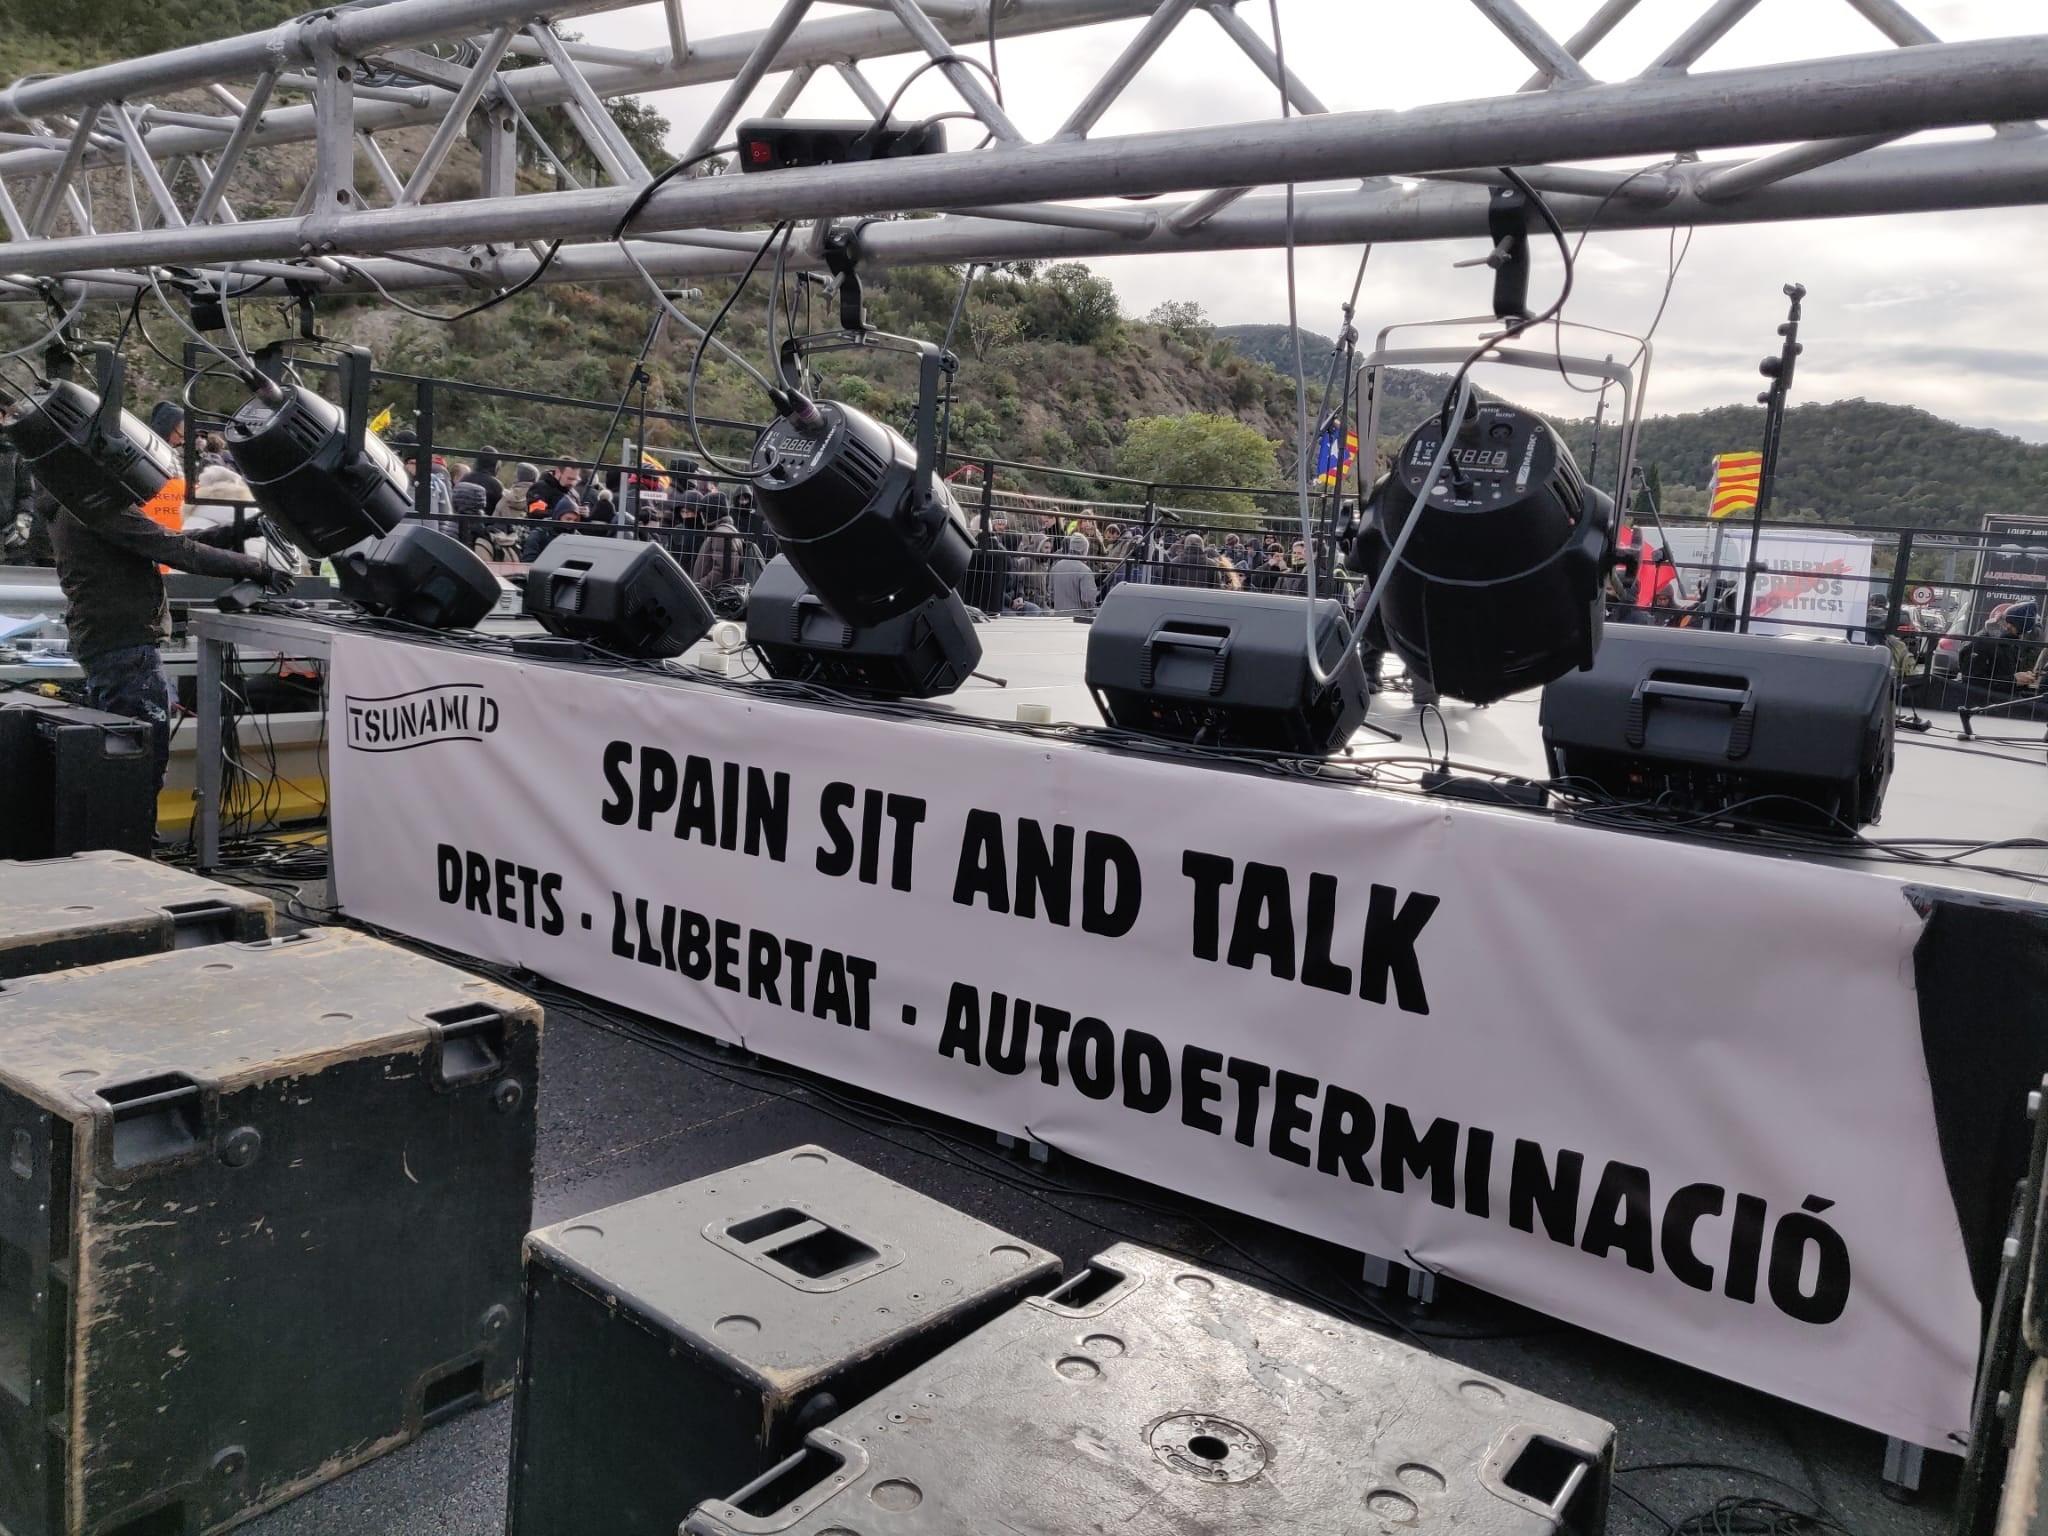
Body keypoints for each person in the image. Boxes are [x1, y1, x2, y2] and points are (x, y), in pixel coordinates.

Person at [48, 487, 288, 794]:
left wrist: (244, 529)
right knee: (139, 765)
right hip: (125, 646)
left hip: (111, 642)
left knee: (126, 760)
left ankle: (128, 833)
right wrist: (257, 568)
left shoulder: (71, 503)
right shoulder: (91, 505)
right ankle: (134, 838)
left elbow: (166, 543)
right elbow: (175, 550)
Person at [1962, 600, 2035, 687]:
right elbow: (1972, 682)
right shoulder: (1980, 643)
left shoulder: (2010, 642)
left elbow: (2006, 672)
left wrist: (2023, 678)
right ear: (2010, 625)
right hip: (1984, 698)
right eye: (2019, 631)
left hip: (2003, 697)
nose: (2021, 635)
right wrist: (2013, 680)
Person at [451, 447, 504, 556]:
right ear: (495, 465)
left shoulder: (465, 478)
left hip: (460, 524)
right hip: (484, 531)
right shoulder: (496, 485)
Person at [1049, 534, 1099, 614]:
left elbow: (1051, 594)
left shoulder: (1056, 566)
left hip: (1058, 617)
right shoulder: (1085, 570)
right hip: (1079, 620)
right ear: (1084, 550)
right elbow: (1088, 601)